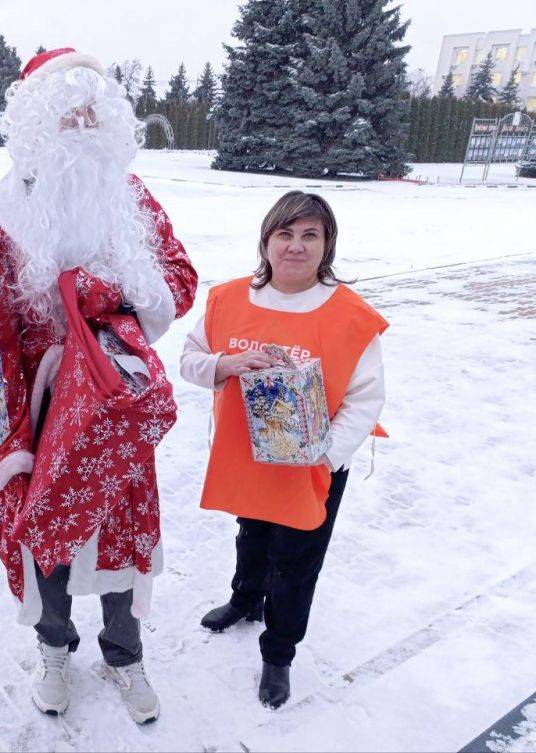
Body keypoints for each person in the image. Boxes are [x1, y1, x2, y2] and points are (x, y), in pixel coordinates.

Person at [0, 48, 197, 724]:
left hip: (115, 395)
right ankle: (55, 647)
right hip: (37, 407)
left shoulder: (130, 196)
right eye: (69, 105)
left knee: (117, 528)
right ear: (38, 119)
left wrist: (106, 291)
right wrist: (10, 441)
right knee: (51, 537)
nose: (84, 118)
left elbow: (179, 278)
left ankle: (124, 652)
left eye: (95, 105)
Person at [180, 191, 387, 710]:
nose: (296, 246)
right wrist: (225, 365)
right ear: (267, 243)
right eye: (285, 234)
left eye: (309, 235)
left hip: (311, 465)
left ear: (326, 246)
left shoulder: (350, 316)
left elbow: (365, 398)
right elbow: (190, 359)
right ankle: (245, 599)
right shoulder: (227, 300)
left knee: (296, 561)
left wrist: (326, 453)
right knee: (251, 535)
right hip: (246, 456)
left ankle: (279, 654)